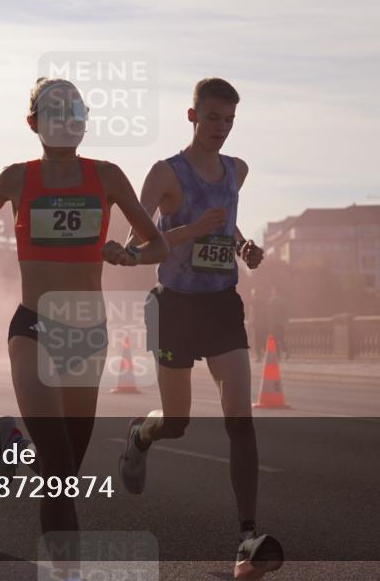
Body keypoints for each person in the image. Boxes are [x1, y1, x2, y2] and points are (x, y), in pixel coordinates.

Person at [0, 78, 168, 576]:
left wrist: (128, 255)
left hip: (88, 332)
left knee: (62, 472)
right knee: (59, 464)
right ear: (33, 122)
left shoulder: (107, 176)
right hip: (34, 325)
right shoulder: (17, 178)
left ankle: (15, 441)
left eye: (73, 108)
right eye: (52, 110)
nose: (64, 118)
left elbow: (157, 244)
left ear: (84, 118)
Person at [117, 77, 281, 580]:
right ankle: (143, 435)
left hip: (221, 307)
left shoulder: (238, 170)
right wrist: (188, 231)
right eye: (212, 118)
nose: (221, 129)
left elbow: (225, 223)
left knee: (240, 417)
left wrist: (243, 247)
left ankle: (246, 538)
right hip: (175, 309)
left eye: (229, 120)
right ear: (192, 117)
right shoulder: (166, 173)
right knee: (178, 420)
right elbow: (135, 245)